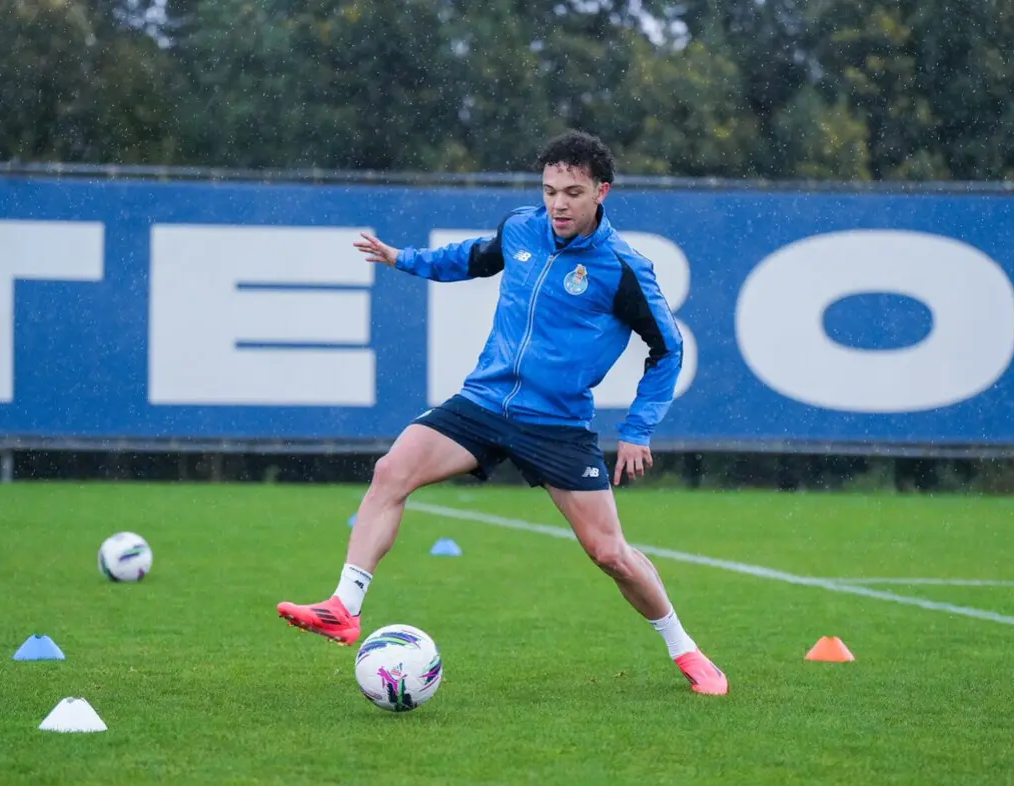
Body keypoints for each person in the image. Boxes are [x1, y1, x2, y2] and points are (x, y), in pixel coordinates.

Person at [277, 130, 727, 696]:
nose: (558, 204)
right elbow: (471, 258)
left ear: (601, 192)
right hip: (484, 402)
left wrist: (638, 429)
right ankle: (345, 607)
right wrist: (402, 258)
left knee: (610, 554)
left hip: (557, 425)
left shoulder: (622, 267)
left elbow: (668, 348)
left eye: (572, 192)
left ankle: (685, 650)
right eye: (549, 191)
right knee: (391, 470)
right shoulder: (520, 228)